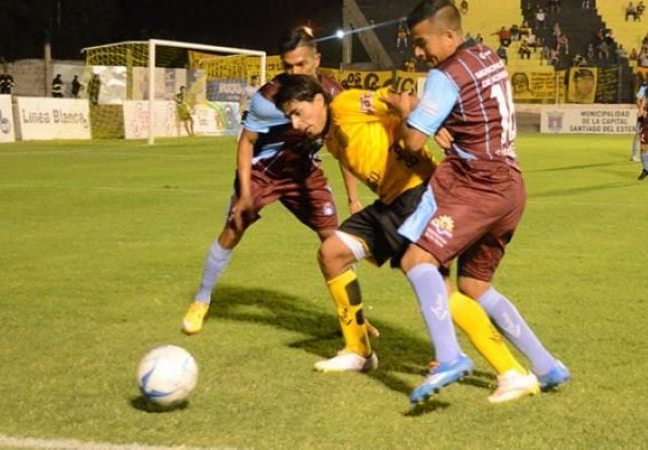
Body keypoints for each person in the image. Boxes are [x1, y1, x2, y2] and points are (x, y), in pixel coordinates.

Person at [274, 75, 541, 403]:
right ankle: (358, 350)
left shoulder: (344, 104)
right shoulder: (329, 134)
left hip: (420, 194)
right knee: (333, 253)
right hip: (391, 203)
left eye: (298, 112)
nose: (295, 123)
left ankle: (511, 371)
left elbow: (398, 100)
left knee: (437, 287)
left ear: (318, 100)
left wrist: (427, 120)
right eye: (289, 117)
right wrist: (353, 197)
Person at [386, 0, 569, 404]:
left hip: (478, 183)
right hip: (511, 185)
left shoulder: (444, 75)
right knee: (474, 284)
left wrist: (405, 111)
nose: (417, 52)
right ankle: (546, 366)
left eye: (422, 42)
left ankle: (449, 357)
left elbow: (412, 143)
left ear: (449, 35)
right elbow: (471, 108)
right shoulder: (486, 54)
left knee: (416, 261)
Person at [181, 26, 353, 336]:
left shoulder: (333, 95)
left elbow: (345, 147)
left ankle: (353, 317)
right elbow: (246, 142)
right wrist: (246, 192)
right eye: (287, 65)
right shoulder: (269, 98)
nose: (294, 72)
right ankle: (201, 300)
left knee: (335, 242)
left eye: (301, 64)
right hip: (264, 172)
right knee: (233, 229)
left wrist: (354, 198)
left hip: (304, 172)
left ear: (317, 60)